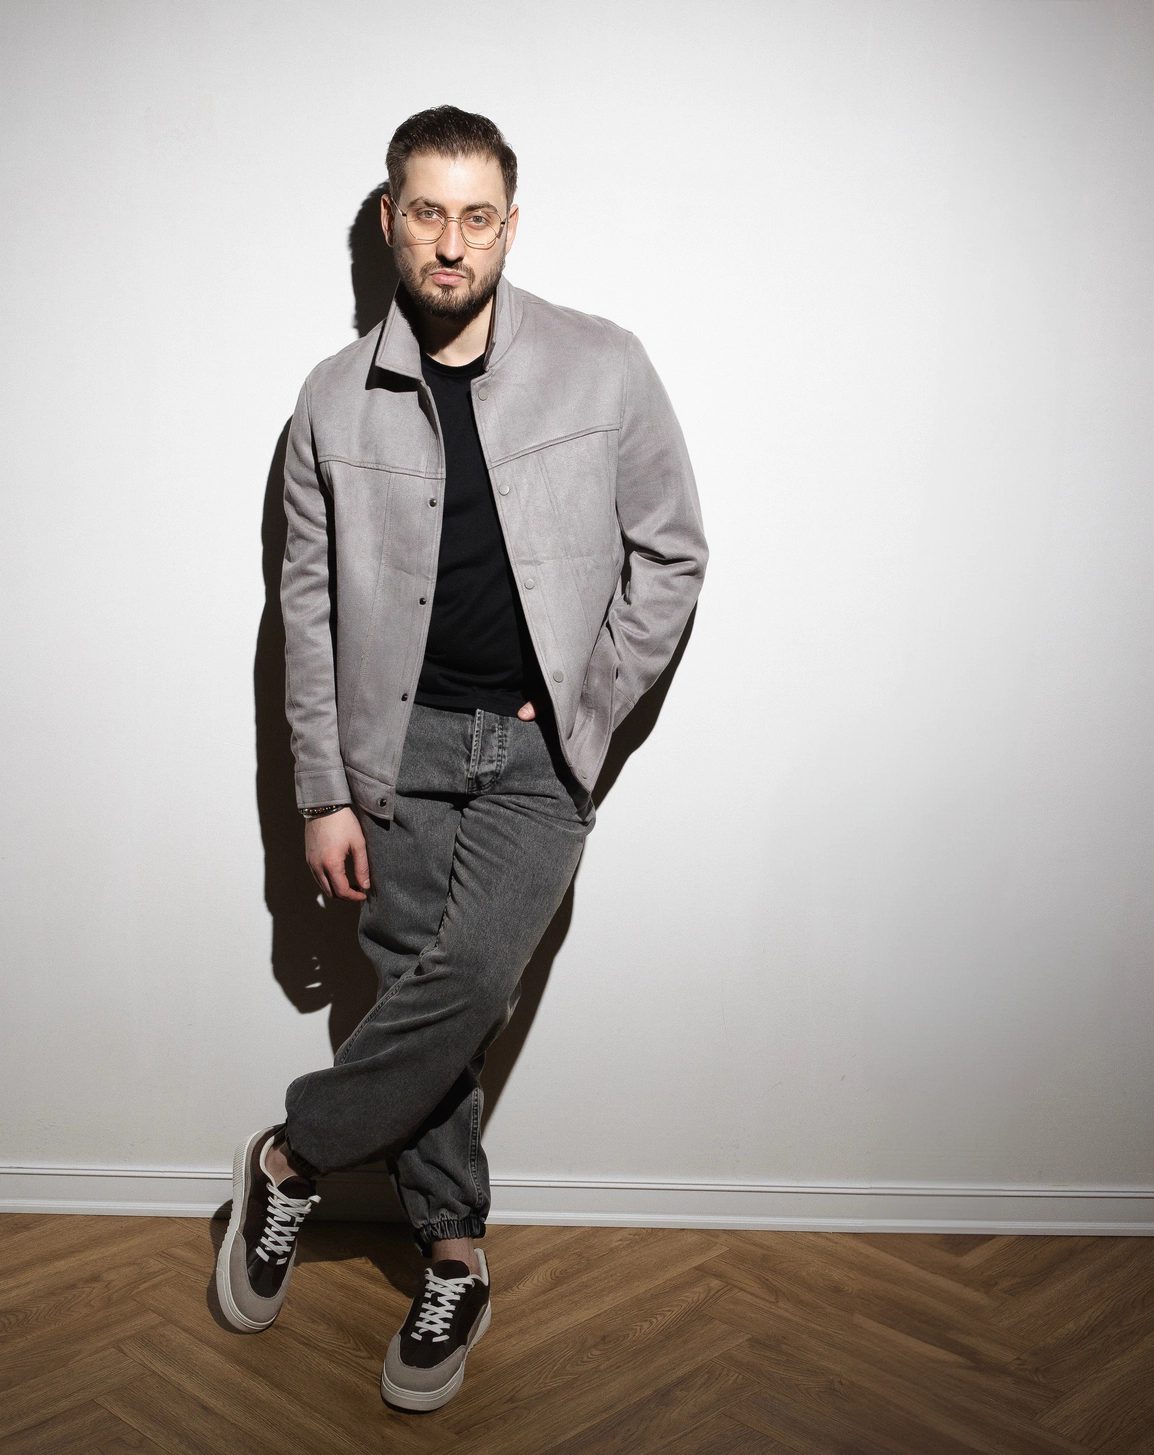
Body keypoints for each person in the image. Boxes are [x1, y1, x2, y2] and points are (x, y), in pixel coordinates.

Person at [216, 104, 707, 1412]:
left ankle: (288, 1158)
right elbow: (305, 612)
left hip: (542, 752)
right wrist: (322, 790)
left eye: (476, 216)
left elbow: (673, 551)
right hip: (395, 751)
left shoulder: (604, 366)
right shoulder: (331, 398)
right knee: (410, 995)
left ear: (510, 226)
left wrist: (592, 701)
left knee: (471, 978)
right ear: (391, 221)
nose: (451, 242)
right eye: (427, 213)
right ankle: (454, 1253)